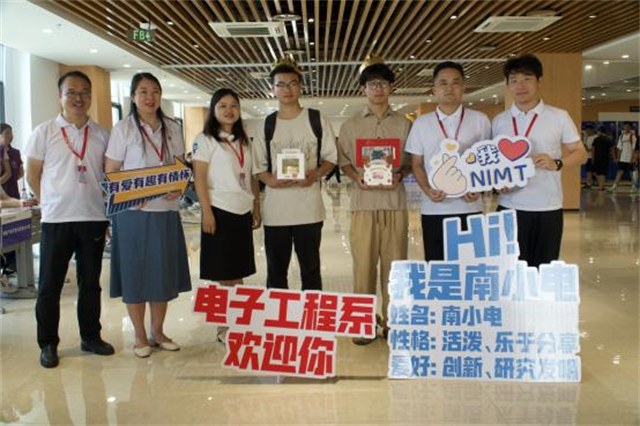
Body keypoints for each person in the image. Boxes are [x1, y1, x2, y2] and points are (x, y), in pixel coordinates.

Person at [26, 70, 113, 368]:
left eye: (84, 92)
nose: (79, 98)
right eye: (72, 92)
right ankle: (48, 343)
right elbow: (32, 174)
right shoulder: (44, 131)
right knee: (50, 286)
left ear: (90, 97)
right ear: (60, 96)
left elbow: (109, 177)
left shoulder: (101, 134)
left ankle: (91, 336)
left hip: (93, 217)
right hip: (56, 220)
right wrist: (49, 202)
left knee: (90, 283)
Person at [106, 72, 191, 358]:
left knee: (161, 273)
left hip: (165, 211)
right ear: (133, 97)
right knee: (135, 273)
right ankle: (140, 336)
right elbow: (111, 171)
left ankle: (158, 331)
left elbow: (180, 167)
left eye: (155, 91)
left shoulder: (172, 127)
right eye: (143, 91)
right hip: (133, 213)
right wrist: (131, 193)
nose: (149, 97)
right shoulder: (123, 129)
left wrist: (179, 187)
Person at [338, 56, 412, 344]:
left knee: (396, 268)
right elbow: (344, 161)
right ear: (363, 89)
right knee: (363, 267)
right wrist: (355, 176)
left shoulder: (404, 125)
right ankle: (363, 323)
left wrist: (401, 174)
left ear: (391, 87)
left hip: (394, 203)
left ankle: (394, 323)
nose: (378, 89)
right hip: (363, 205)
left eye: (383, 83)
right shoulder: (350, 126)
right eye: (372, 84)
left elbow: (411, 161)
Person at [492, 54, 587, 268]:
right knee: (510, 269)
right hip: (509, 206)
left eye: (527, 78)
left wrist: (557, 163)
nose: (520, 86)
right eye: (514, 80)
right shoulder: (499, 121)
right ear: (507, 85)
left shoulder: (558, 116)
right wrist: (498, 184)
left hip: (547, 207)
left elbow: (581, 153)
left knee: (543, 269)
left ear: (539, 81)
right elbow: (493, 162)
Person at [252, 57, 337, 291]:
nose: (287, 89)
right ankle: (278, 313)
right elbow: (258, 167)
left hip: (309, 210)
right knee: (276, 272)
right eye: (280, 84)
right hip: (276, 213)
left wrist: (315, 174)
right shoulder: (266, 124)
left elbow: (331, 157)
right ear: (272, 89)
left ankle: (311, 312)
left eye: (292, 83)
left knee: (311, 270)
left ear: (300, 86)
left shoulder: (316, 119)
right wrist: (271, 180)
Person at [192, 88, 261, 343]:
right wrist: (206, 212)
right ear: (213, 110)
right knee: (221, 275)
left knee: (237, 272)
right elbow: (199, 178)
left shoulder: (244, 141)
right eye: (222, 105)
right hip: (218, 210)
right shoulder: (205, 139)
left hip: (241, 210)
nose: (229, 110)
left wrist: (256, 206)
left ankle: (238, 322)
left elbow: (252, 177)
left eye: (234, 105)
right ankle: (223, 326)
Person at [405, 61, 491, 263]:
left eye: (455, 82)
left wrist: (478, 187)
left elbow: (488, 161)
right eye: (443, 83)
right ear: (434, 89)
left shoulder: (480, 119)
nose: (449, 88)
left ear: (463, 87)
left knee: (471, 266)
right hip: (434, 208)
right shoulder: (422, 123)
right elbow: (416, 163)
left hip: (471, 208)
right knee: (437, 265)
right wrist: (427, 190)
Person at [0, 123, 24, 275]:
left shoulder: (15, 153)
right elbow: (7, 173)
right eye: (7, 133)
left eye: (11, 133)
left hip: (12, 195)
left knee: (14, 230)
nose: (10, 136)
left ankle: (13, 263)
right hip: (3, 196)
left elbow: (18, 173)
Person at [608, 122, 637, 192]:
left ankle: (634, 187)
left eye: (628, 126)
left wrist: (632, 158)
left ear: (630, 127)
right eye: (625, 126)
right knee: (619, 172)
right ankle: (614, 186)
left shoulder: (632, 136)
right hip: (622, 158)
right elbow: (620, 148)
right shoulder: (621, 136)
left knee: (632, 173)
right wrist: (618, 157)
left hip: (630, 158)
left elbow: (634, 149)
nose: (626, 127)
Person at [591, 126, 612, 191]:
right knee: (603, 172)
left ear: (600, 131)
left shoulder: (596, 139)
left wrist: (592, 158)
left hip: (597, 158)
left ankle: (600, 185)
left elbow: (593, 149)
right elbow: (612, 149)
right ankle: (601, 186)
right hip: (605, 158)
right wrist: (613, 157)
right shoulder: (608, 139)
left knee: (597, 172)